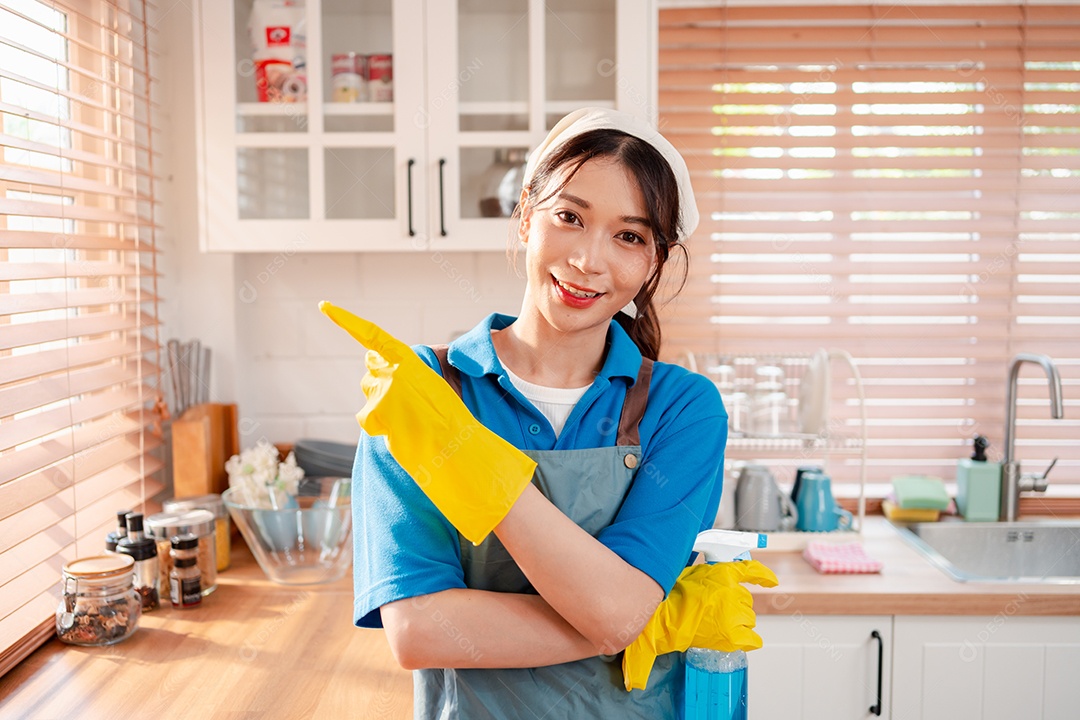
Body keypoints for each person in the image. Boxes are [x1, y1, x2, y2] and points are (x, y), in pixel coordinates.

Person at [339, 108, 749, 718]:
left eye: (629, 236)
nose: (588, 259)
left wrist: (475, 468)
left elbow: (617, 614)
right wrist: (629, 618)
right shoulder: (424, 391)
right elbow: (418, 631)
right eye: (570, 217)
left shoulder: (682, 408)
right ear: (526, 215)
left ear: (653, 264)